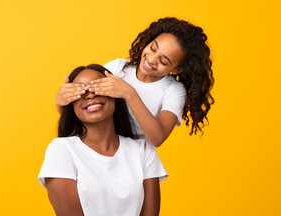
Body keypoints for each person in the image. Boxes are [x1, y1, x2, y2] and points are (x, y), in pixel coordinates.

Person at [38, 64, 167, 216]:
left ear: (115, 95)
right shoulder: (62, 150)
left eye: (97, 87)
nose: (90, 94)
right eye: (80, 92)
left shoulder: (143, 152)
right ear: (71, 106)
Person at [55, 17, 215, 147]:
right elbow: (85, 110)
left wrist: (129, 93)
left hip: (137, 161)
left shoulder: (173, 91)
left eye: (164, 61)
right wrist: (60, 102)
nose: (151, 59)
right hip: (100, 148)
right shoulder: (117, 67)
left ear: (178, 69)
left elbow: (158, 138)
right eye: (153, 48)